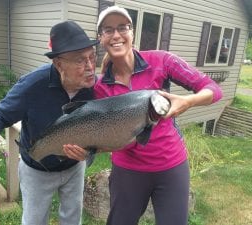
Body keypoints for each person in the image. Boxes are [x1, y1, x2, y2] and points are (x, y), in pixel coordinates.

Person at [95, 5, 223, 225]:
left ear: (132, 33)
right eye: (108, 30)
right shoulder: (100, 87)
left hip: (171, 167)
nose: (116, 35)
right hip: (127, 171)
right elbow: (106, 136)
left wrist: (187, 102)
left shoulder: (162, 61)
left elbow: (213, 89)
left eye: (122, 27)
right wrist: (91, 148)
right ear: (101, 38)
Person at [0, 21, 98, 225]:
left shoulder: (92, 88)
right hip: (37, 169)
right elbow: (0, 113)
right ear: (59, 64)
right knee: (34, 221)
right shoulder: (33, 85)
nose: (90, 67)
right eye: (80, 60)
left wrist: (88, 151)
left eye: (92, 57)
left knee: (73, 218)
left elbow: (98, 129)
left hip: (74, 167)